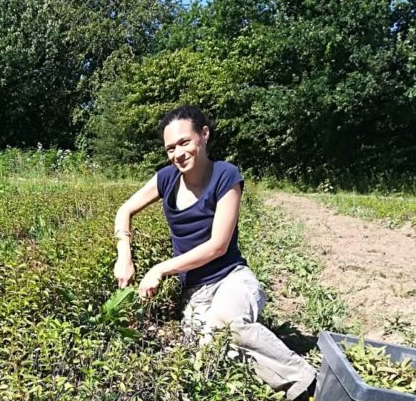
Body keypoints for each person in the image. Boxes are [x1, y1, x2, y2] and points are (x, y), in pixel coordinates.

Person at [112, 106, 316, 400]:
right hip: (195, 292)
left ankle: (307, 382)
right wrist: (124, 253)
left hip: (231, 278)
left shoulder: (226, 175)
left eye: (184, 142)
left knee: (227, 328)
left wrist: (159, 269)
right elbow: (125, 210)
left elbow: (218, 245)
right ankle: (254, 342)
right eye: (170, 148)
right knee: (209, 350)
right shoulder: (166, 179)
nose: (178, 153)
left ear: (203, 135)